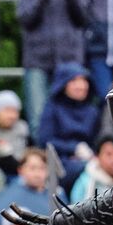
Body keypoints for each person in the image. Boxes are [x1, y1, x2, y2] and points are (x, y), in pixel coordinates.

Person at [14, 0, 85, 131]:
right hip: (37, 61)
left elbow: (83, 20)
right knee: (38, 116)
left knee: (69, 116)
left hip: (69, 60)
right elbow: (25, 19)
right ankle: (40, 160)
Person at [35, 62, 98, 191]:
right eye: (74, 81)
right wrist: (74, 148)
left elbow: (97, 140)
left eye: (83, 80)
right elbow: (45, 140)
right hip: (60, 162)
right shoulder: (52, 108)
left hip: (90, 159)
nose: (81, 86)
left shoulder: (93, 111)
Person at [0, 91, 28, 178]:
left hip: (18, 173)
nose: (12, 116)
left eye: (15, 111)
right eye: (7, 110)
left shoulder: (22, 129)